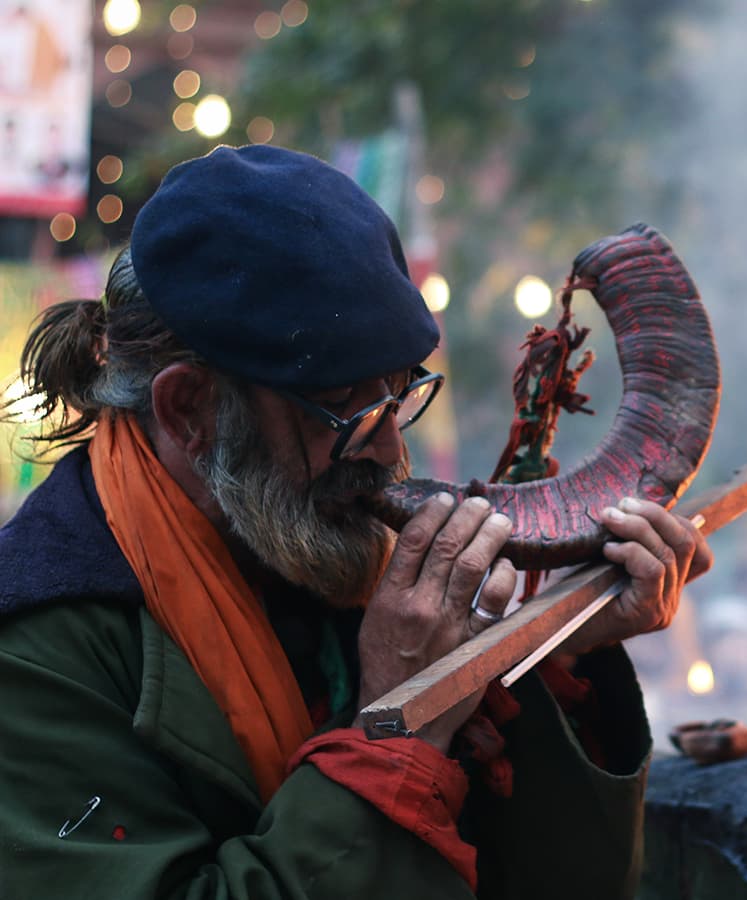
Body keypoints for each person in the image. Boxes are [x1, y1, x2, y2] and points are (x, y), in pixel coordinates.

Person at [0, 144, 709, 899]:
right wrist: (397, 721)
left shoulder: (330, 550)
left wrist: (556, 645)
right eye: (344, 405)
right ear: (190, 410)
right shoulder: (36, 650)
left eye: (399, 394)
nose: (391, 448)